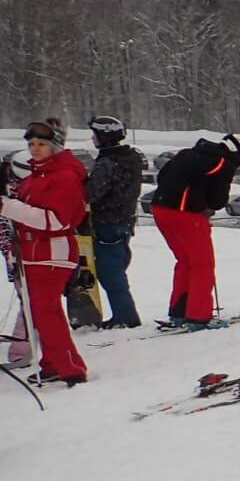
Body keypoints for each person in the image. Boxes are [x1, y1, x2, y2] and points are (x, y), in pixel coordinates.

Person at [1, 120, 90, 383]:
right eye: (31, 144)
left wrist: (8, 208)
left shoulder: (64, 176)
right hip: (32, 251)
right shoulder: (39, 174)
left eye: (41, 144)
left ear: (55, 147)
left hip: (52, 252)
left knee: (46, 312)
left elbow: (57, 221)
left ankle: (71, 368)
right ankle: (52, 363)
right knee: (38, 313)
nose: (35, 149)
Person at [150, 130, 240, 330]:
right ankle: (198, 316)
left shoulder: (188, 153)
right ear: (237, 155)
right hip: (185, 215)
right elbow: (218, 200)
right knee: (202, 264)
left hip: (160, 209)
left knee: (185, 261)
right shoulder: (222, 163)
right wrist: (200, 203)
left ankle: (179, 312)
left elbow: (163, 176)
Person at [84, 115, 146, 329]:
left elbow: (92, 193)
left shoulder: (108, 162)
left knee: (110, 272)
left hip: (107, 223)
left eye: (95, 135)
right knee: (117, 268)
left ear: (104, 136)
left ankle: (125, 316)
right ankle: (124, 314)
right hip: (125, 220)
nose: (93, 139)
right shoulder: (131, 157)